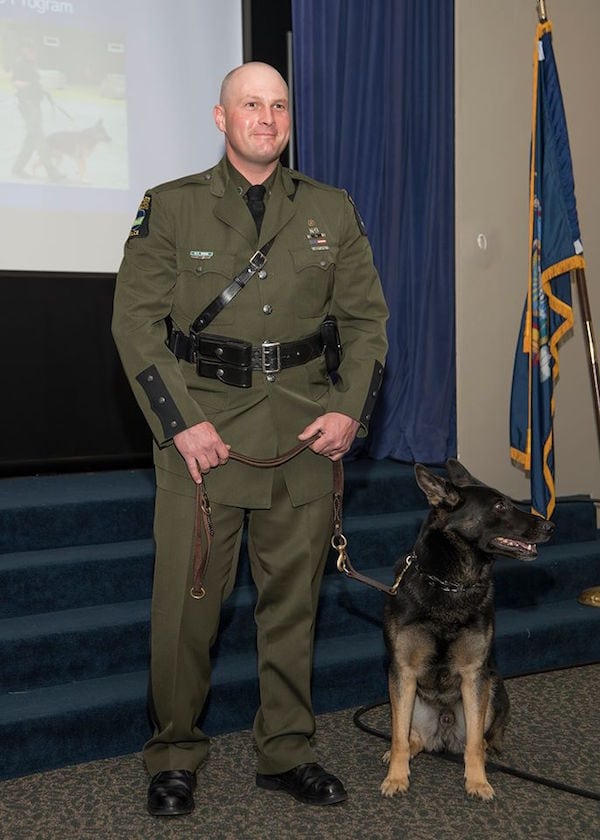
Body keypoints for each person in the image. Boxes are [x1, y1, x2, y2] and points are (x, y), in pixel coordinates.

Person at [112, 61, 388, 817]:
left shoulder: (331, 208)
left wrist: (348, 412)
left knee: (293, 610)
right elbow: (135, 325)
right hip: (203, 440)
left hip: (302, 438)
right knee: (185, 615)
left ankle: (287, 750)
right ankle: (173, 754)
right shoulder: (171, 208)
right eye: (250, 105)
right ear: (220, 117)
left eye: (278, 105)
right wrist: (181, 423)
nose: (266, 117)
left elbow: (367, 323)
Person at [11, 39, 61, 181]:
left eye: (35, 51)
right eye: (32, 51)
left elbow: (33, 81)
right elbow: (15, 81)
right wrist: (27, 85)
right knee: (39, 137)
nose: (34, 54)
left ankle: (17, 168)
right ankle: (51, 171)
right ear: (25, 50)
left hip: (34, 103)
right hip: (28, 104)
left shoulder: (31, 63)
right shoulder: (21, 63)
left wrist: (38, 89)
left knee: (32, 138)